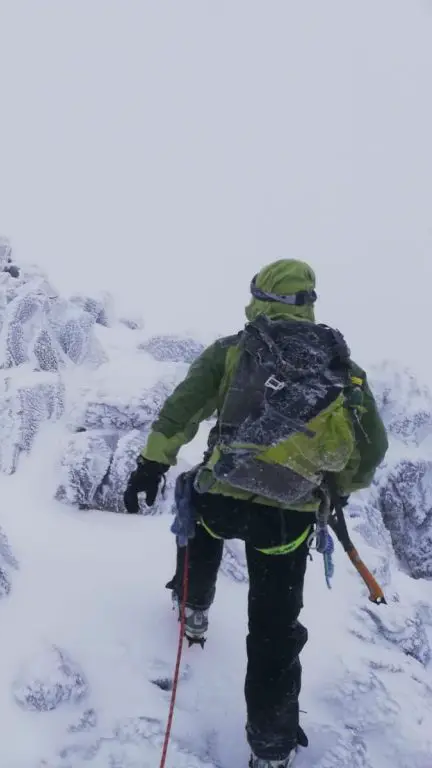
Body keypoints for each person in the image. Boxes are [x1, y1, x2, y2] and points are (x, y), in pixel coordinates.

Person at [122, 259, 388, 768]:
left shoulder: (231, 352)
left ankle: (194, 609)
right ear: (309, 302)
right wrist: (336, 488)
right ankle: (270, 749)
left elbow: (182, 410)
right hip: (286, 521)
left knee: (197, 526)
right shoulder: (342, 369)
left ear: (259, 295)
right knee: (273, 631)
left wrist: (150, 466)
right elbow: (371, 448)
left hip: (221, 496)